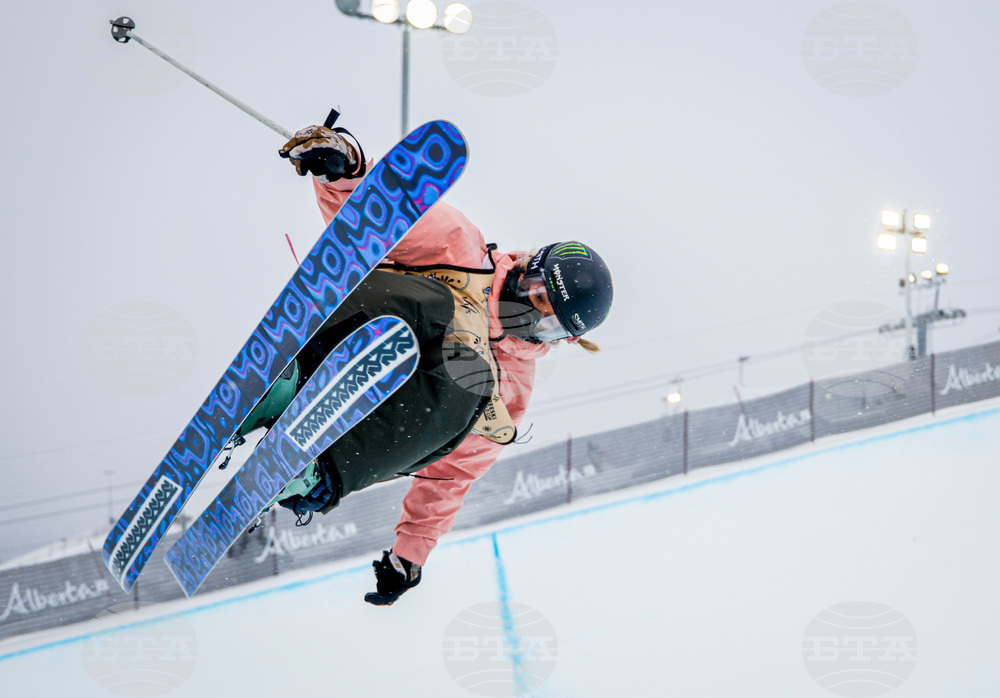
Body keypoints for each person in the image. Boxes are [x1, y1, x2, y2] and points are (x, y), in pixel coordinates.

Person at [255, 122, 614, 606]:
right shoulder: (459, 246)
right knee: (440, 304)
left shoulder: (509, 388)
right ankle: (288, 378)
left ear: (561, 341)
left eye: (545, 323)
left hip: (368, 416)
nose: (528, 313)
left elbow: (451, 476)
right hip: (344, 337)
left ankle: (317, 470)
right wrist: (342, 170)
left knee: (473, 381)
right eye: (534, 294)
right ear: (528, 265)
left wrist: (410, 556)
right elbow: (376, 215)